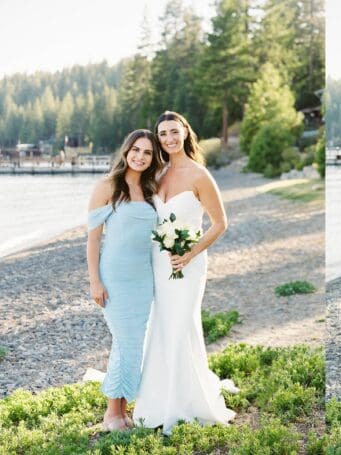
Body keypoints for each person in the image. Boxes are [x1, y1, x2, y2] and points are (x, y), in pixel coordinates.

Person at [132, 111, 236, 434]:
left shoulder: (200, 175)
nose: (168, 139)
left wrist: (189, 253)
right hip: (160, 266)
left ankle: (184, 405)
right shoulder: (158, 174)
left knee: (181, 326)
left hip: (189, 266)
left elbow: (220, 224)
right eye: (162, 134)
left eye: (173, 132)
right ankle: (158, 402)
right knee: (161, 327)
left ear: (185, 133)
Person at [85, 130, 162, 431]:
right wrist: (95, 281)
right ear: (126, 151)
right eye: (136, 150)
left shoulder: (151, 188)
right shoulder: (107, 186)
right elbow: (93, 240)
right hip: (114, 277)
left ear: (153, 158)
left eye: (147, 152)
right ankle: (111, 413)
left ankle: (124, 409)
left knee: (132, 343)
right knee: (126, 341)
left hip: (143, 279)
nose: (140, 156)